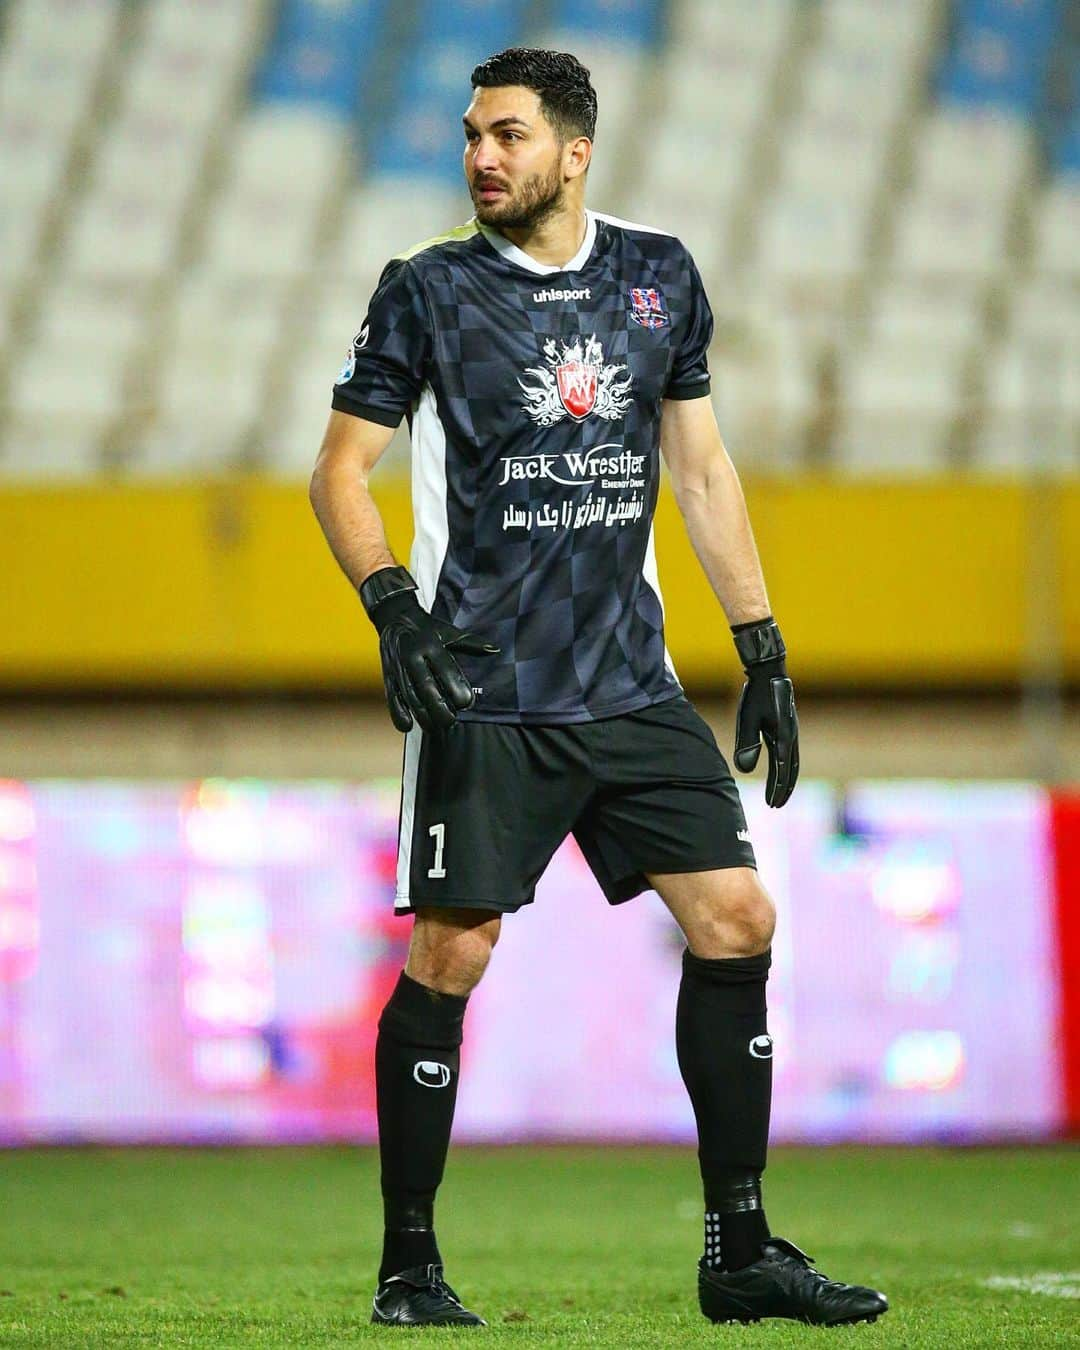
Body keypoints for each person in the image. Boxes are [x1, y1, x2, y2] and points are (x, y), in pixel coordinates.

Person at [309, 47, 888, 1330]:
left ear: (574, 152)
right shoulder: (427, 291)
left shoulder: (658, 277)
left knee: (737, 918)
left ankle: (739, 1253)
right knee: (453, 952)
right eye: (471, 136)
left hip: (629, 687)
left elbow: (703, 469)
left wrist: (763, 648)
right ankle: (410, 1266)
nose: (481, 158)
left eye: (507, 135)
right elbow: (340, 471)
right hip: (484, 688)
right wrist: (393, 604)